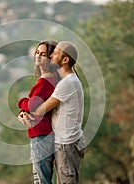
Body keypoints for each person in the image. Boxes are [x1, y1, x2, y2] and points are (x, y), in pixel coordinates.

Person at [21, 41, 86, 184]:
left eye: (55, 53)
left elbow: (38, 109)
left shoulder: (67, 83)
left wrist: (22, 104)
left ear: (65, 59)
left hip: (67, 143)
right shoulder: (65, 81)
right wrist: (25, 113)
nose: (51, 55)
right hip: (63, 142)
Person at [17, 40, 58, 184]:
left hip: (41, 136)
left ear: (51, 58)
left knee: (42, 180)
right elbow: (33, 104)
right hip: (42, 135)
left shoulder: (46, 80)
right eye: (37, 53)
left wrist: (21, 102)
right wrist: (24, 111)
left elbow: (33, 104)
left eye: (44, 54)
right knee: (41, 178)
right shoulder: (45, 79)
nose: (39, 56)